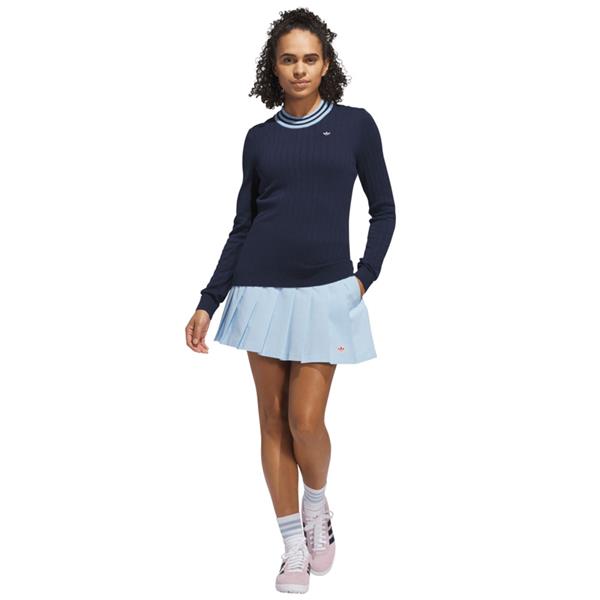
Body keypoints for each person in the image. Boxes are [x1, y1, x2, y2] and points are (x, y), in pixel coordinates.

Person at [185, 8, 396, 594]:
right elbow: (243, 225)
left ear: (326, 64)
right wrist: (208, 301)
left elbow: (384, 209)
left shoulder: (355, 126)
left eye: (309, 58)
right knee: (273, 420)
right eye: (288, 59)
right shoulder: (259, 139)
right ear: (273, 68)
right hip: (259, 290)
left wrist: (362, 279)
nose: (299, 69)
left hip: (327, 292)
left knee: (306, 420)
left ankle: (317, 504)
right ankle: (293, 547)